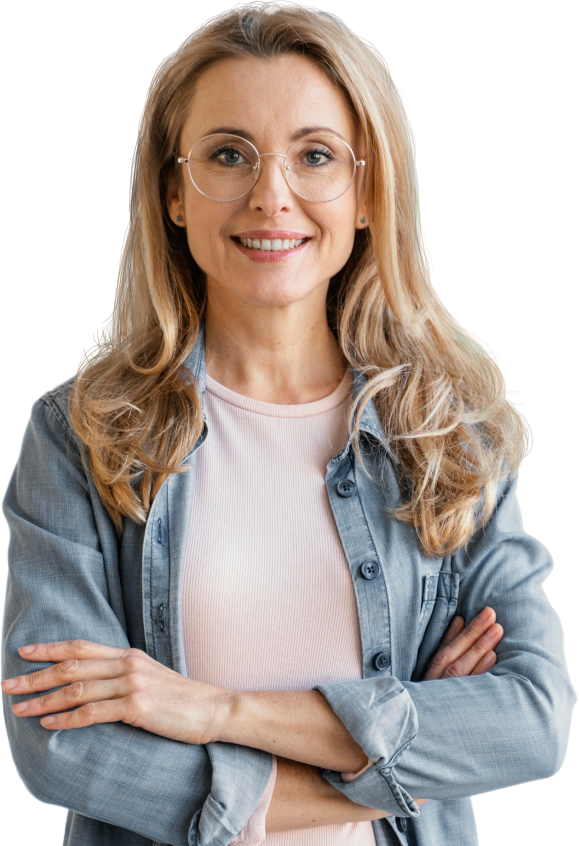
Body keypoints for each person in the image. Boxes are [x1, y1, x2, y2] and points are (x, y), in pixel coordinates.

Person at [1, 3, 575, 845]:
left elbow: (530, 721)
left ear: (366, 193)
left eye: (315, 155)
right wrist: (401, 759)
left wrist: (214, 710)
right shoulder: (81, 435)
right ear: (172, 192)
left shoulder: (448, 433)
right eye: (228, 155)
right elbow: (62, 749)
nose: (271, 198)